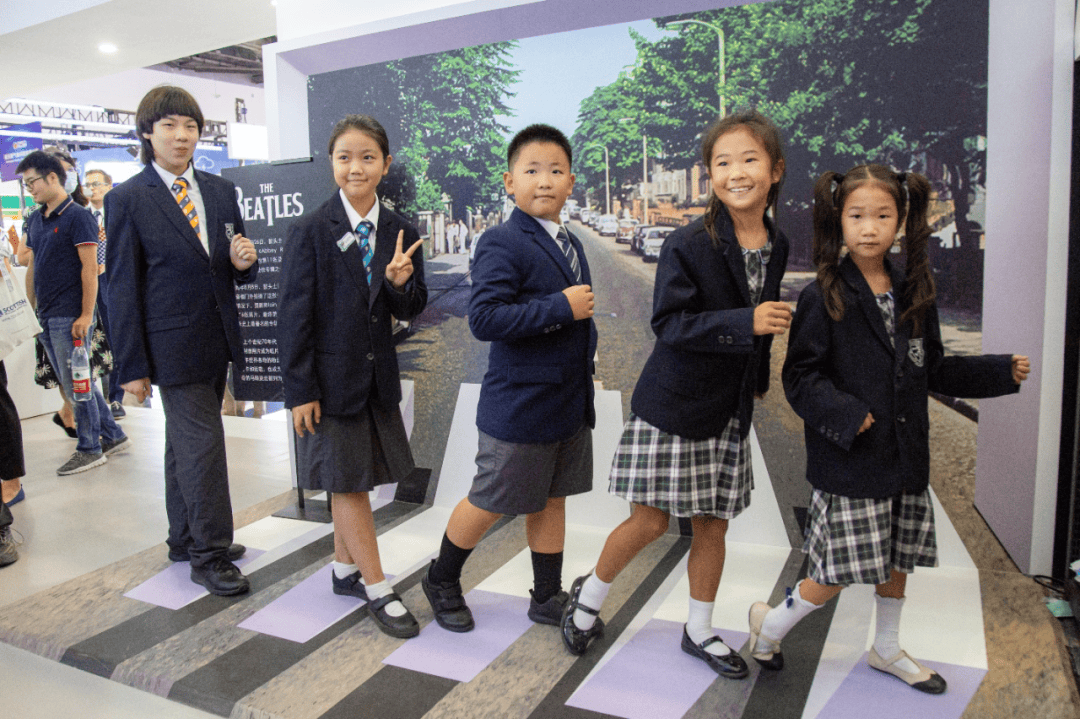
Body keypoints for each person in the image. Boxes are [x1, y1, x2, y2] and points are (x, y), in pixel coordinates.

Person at [749, 164, 1030, 693]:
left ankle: (886, 647)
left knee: (897, 560)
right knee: (835, 572)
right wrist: (846, 413)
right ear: (839, 220)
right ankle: (770, 624)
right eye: (857, 216)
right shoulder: (823, 293)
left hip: (903, 458)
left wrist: (997, 372)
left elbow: (934, 368)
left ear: (900, 221)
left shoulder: (913, 291)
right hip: (852, 461)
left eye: (882, 216)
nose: (869, 228)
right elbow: (800, 378)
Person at [558, 110, 791, 680]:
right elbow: (669, 323)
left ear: (776, 170)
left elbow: (761, 326)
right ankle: (588, 600)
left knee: (714, 524)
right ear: (710, 174)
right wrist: (745, 322)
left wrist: (756, 380)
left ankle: (699, 629)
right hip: (675, 405)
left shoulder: (778, 243)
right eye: (723, 162)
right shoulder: (689, 242)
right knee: (649, 522)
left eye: (750, 159)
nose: (736, 172)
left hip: (729, 410)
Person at [422, 124, 597, 633]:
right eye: (532, 170)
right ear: (509, 181)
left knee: (553, 498)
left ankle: (546, 595)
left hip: (567, 403)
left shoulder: (570, 241)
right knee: (490, 499)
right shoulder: (501, 240)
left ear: (570, 182)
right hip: (521, 406)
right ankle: (441, 578)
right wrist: (559, 307)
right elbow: (485, 319)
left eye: (556, 170)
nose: (545, 180)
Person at [278, 114, 428, 638]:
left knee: (356, 478)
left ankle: (345, 569)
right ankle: (377, 586)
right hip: (327, 383)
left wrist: (399, 284)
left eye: (367, 157)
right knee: (349, 484)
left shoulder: (401, 231)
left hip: (377, 379)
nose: (356, 167)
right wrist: (299, 391)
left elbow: (412, 306)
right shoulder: (309, 230)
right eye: (345, 157)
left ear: (386, 163)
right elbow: (292, 317)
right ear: (332, 163)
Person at [105, 85, 258, 596]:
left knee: (186, 444)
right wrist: (131, 366)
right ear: (147, 133)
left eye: (190, 126)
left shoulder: (220, 191)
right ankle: (210, 555)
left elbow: (229, 264)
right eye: (169, 125)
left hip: (218, 339)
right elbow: (121, 287)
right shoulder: (128, 198)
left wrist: (243, 265)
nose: (181, 135)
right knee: (204, 446)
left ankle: (185, 537)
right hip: (170, 346)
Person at [15, 150, 129, 475]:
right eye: (26, 184)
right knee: (78, 382)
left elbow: (89, 269)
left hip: (71, 316)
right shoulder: (35, 219)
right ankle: (113, 435)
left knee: (77, 385)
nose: (30, 189)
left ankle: (89, 448)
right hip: (46, 316)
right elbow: (32, 267)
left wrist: (86, 315)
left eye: (33, 182)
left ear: (53, 178)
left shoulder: (79, 217)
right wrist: (30, 309)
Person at [84, 168, 125, 418]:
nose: (92, 188)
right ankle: (94, 400)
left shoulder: (119, 214)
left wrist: (108, 264)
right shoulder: (82, 217)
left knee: (114, 337)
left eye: (97, 183)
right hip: (87, 284)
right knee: (91, 341)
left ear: (109, 186)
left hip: (112, 281)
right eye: (88, 184)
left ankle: (116, 397)